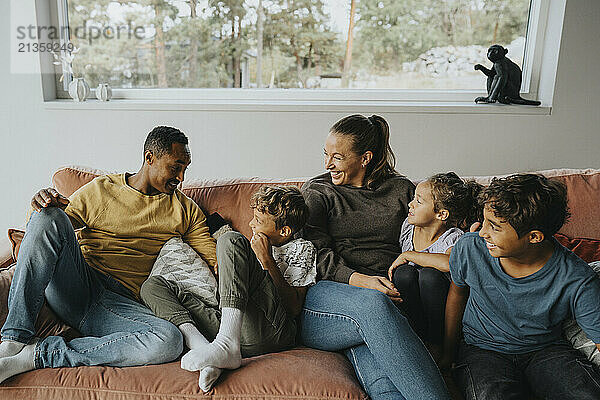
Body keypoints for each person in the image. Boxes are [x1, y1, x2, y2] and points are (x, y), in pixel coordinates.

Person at [0, 126, 215, 383]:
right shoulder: (102, 189)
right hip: (77, 283)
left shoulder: (185, 210)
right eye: (175, 167)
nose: (181, 177)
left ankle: (37, 355)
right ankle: (13, 340)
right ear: (150, 158)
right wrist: (42, 202)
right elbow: (47, 228)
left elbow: (214, 261)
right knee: (48, 213)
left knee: (168, 340)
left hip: (119, 306)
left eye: (185, 169)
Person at [299, 114, 451, 400]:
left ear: (365, 158)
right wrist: (361, 281)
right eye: (326, 155)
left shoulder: (401, 189)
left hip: (390, 300)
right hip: (328, 299)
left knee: (388, 388)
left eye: (337, 157)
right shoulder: (318, 191)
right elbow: (312, 253)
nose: (327, 164)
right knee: (374, 305)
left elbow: (434, 226)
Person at [140, 185, 317, 391]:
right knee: (151, 286)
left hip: (271, 332)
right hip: (232, 326)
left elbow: (294, 307)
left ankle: (226, 345)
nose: (251, 224)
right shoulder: (249, 246)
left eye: (258, 221)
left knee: (230, 239)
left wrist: (267, 259)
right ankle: (209, 355)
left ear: (284, 231)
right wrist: (227, 272)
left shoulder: (302, 248)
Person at [442, 173, 600, 400]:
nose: (483, 232)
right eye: (485, 221)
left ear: (534, 237)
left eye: (494, 227)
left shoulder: (577, 278)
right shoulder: (470, 249)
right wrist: (448, 354)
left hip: (546, 350)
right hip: (482, 349)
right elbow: (457, 295)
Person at [388, 172, 482, 344]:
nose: (410, 204)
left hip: (440, 309)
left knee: (429, 275)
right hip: (414, 308)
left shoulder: (452, 237)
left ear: (441, 214)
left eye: (418, 201)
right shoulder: (408, 227)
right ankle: (415, 337)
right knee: (404, 273)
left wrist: (408, 255)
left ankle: (436, 342)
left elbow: (449, 264)